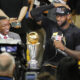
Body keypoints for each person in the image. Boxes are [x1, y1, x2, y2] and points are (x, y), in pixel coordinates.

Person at [30, 3, 80, 73]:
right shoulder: (50, 25)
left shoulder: (76, 32)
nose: (58, 18)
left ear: (68, 16)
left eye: (61, 16)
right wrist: (54, 5)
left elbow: (78, 55)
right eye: (57, 16)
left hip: (66, 69)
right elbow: (33, 13)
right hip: (48, 66)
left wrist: (64, 49)